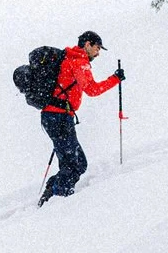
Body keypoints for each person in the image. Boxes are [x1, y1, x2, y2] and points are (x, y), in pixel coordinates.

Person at [39, 31, 121, 202]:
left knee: (74, 162)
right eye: (97, 48)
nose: (98, 53)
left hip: (54, 116)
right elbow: (92, 89)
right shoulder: (79, 61)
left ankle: (53, 190)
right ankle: (57, 198)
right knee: (74, 163)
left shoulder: (69, 57)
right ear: (87, 44)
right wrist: (115, 79)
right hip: (58, 117)